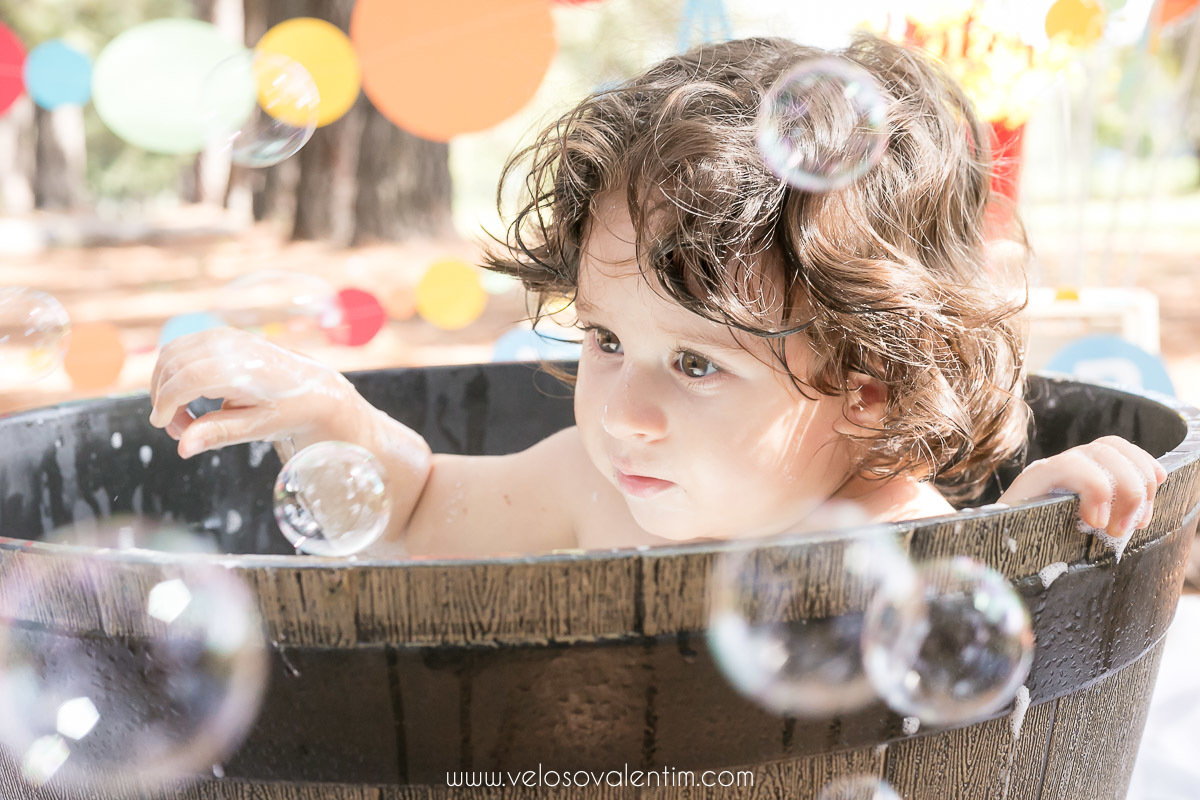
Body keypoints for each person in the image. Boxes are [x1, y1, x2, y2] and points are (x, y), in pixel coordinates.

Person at [148, 34, 1165, 558]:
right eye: (603, 337)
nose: (624, 416)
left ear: (864, 383)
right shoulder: (591, 491)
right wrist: (332, 420)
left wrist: (1028, 537)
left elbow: (997, 659)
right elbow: (414, 512)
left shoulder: (894, 531)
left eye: (694, 362)